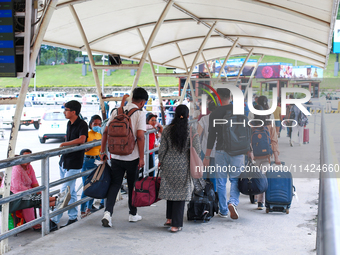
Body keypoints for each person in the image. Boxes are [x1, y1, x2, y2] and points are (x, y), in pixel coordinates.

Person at [100, 87, 148, 228]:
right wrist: (141, 157)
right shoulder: (140, 113)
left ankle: (108, 214)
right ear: (143, 102)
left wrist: (103, 151)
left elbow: (105, 132)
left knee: (115, 184)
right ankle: (133, 214)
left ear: (132, 98)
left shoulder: (116, 111)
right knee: (133, 185)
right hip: (132, 157)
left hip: (115, 155)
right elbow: (140, 136)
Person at [203, 88, 245, 220]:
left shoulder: (215, 113)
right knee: (235, 179)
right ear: (230, 97)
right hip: (237, 151)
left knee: (221, 181)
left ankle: (223, 210)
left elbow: (211, 136)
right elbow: (244, 132)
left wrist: (207, 156)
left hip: (220, 150)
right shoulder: (239, 110)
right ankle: (233, 202)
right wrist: (248, 150)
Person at [5, 149, 71, 231]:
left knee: (39, 195)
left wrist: (39, 191)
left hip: (27, 192)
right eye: (25, 157)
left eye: (30, 157)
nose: (28, 160)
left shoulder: (29, 167)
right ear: (20, 158)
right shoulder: (16, 169)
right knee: (34, 198)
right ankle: (57, 200)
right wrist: (35, 192)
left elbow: (34, 182)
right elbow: (18, 187)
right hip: (14, 194)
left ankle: (56, 202)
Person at [158, 105, 200, 233]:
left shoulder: (166, 130)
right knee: (180, 195)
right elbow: (197, 149)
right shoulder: (191, 131)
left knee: (171, 191)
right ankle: (175, 225)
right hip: (183, 165)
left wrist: (161, 161)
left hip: (168, 164)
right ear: (188, 116)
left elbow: (162, 150)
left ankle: (169, 219)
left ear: (175, 115)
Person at [50, 100, 88, 231]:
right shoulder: (69, 123)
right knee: (70, 191)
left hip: (74, 163)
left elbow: (82, 140)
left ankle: (54, 220)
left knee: (64, 191)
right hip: (65, 161)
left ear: (73, 111)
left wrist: (63, 145)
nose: (64, 112)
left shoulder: (82, 124)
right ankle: (72, 217)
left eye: (66, 110)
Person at [250, 103, 281, 210]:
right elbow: (274, 141)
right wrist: (276, 157)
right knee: (263, 177)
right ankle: (260, 202)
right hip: (267, 156)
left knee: (255, 177)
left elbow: (248, 141)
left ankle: (254, 196)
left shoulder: (252, 125)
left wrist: (250, 153)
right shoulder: (270, 125)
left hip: (254, 156)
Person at [80, 115, 102, 219]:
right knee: (86, 186)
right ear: (90, 124)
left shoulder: (100, 135)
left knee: (94, 185)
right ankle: (82, 210)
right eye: (95, 124)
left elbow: (101, 149)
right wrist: (91, 145)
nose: (97, 126)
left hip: (96, 160)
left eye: (99, 124)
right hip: (87, 160)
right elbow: (83, 149)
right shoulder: (87, 135)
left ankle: (89, 208)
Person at [197, 98, 217, 191]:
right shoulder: (223, 120)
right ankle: (214, 197)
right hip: (218, 152)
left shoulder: (204, 119)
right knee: (215, 177)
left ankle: (203, 197)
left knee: (203, 176)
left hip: (205, 151)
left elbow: (197, 135)